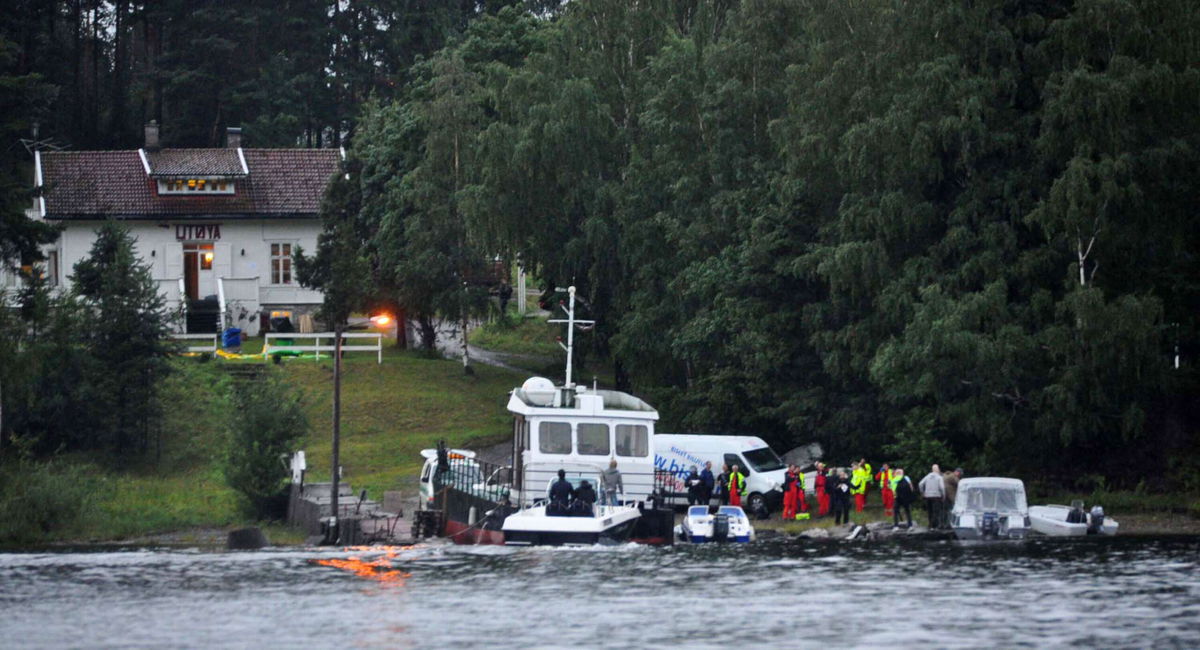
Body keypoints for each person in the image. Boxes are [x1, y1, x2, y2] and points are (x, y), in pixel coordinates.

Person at [918, 464, 946, 529]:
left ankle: (930, 525)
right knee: (936, 512)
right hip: (936, 496)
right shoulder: (939, 477)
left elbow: (920, 484)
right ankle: (935, 526)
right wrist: (943, 495)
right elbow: (942, 487)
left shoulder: (927, 476)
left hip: (928, 496)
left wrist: (922, 492)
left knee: (930, 511)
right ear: (938, 469)